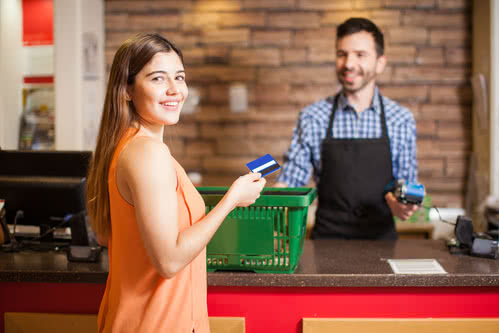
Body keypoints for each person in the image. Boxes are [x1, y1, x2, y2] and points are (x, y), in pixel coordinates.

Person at [86, 33, 266, 333]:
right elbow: (168, 262)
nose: (175, 90)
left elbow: (110, 237)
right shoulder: (147, 153)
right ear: (127, 89)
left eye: (179, 77)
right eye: (158, 78)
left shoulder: (129, 146)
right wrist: (231, 200)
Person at [275, 18, 418, 240]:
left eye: (360, 55)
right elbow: (291, 179)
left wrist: (403, 204)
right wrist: (268, 199)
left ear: (380, 62)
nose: (348, 63)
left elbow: (406, 184)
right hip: (326, 243)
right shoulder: (313, 117)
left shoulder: (400, 119)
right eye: (342, 54)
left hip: (382, 244)